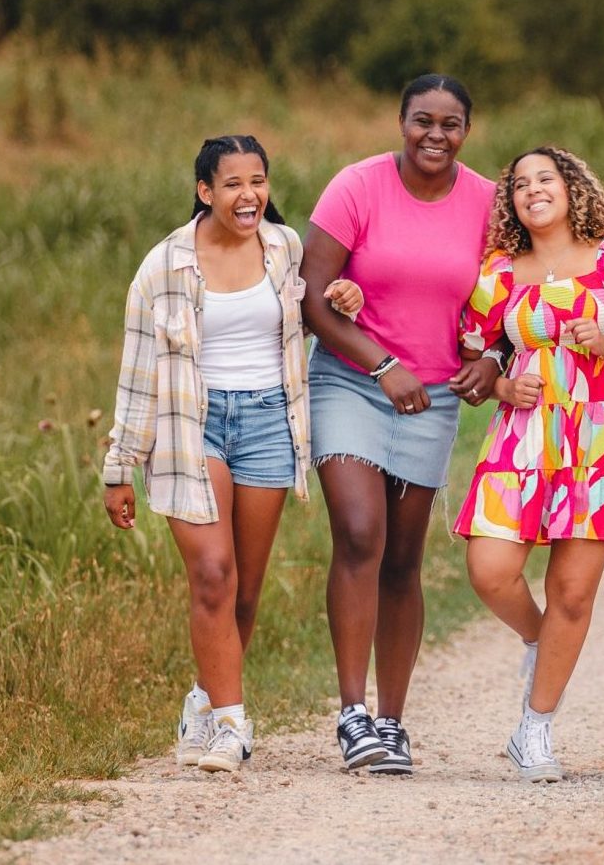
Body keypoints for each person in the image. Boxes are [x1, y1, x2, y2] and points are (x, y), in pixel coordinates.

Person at [102, 135, 361, 773]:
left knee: (243, 589)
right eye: (233, 184)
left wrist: (341, 299)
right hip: (192, 424)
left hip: (270, 418)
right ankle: (232, 725)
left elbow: (308, 315)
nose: (248, 196)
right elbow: (138, 371)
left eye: (258, 182)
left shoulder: (285, 248)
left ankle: (205, 698)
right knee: (213, 574)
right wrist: (120, 465)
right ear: (205, 191)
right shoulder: (162, 266)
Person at [453, 146, 604, 783]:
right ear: (512, 203)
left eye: (544, 179)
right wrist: (499, 389)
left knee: (572, 594)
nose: (532, 190)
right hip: (523, 437)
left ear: (572, 188)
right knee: (490, 568)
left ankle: (536, 730)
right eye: (520, 184)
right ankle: (536, 640)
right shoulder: (498, 271)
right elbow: (474, 350)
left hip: (600, 438)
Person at [300, 74, 500, 774]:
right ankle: (353, 715)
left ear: (466, 131)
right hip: (351, 381)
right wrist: (382, 363)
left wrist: (494, 360)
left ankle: (393, 721)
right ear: (401, 122)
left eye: (450, 123)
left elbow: (511, 301)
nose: (435, 135)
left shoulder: (487, 203)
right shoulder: (356, 187)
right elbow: (312, 302)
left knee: (403, 560)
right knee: (360, 533)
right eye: (423, 121)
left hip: (435, 397)